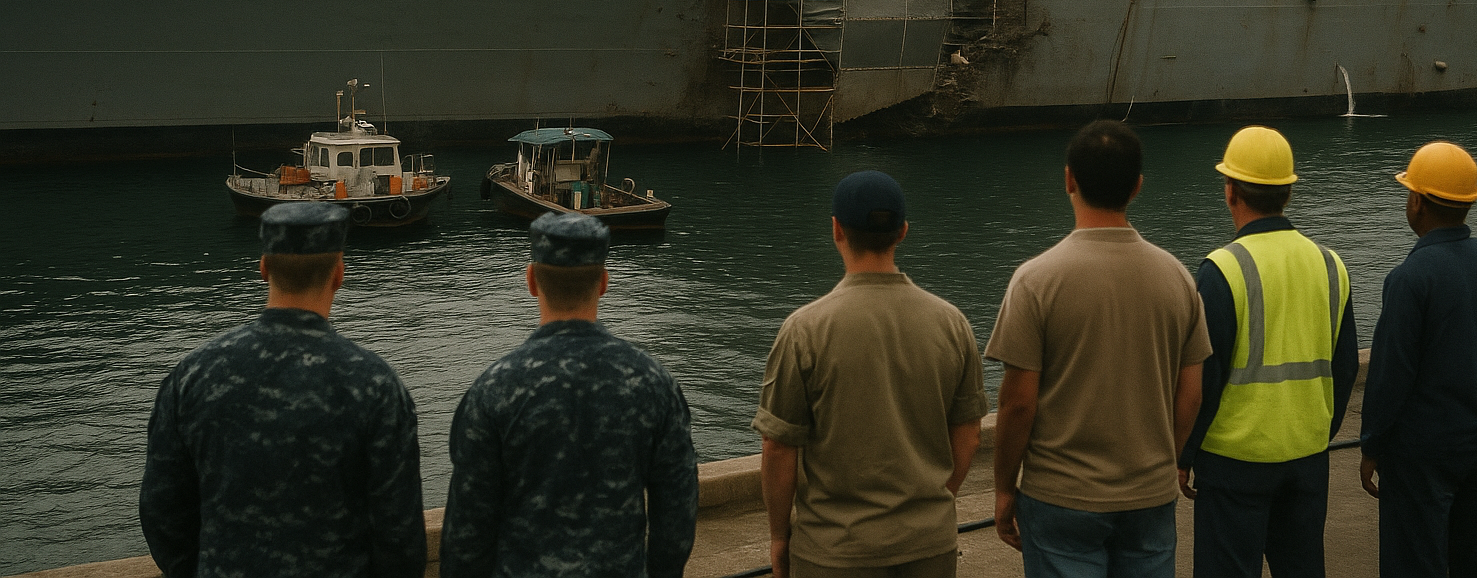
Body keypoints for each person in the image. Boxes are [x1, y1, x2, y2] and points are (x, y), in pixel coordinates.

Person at [139, 202, 427, 578]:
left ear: (263, 269)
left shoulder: (191, 376)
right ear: (339, 274)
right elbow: (399, 533)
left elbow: (162, 511)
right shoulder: (375, 385)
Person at [987, 120, 1210, 578]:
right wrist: (1160, 462)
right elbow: (1191, 395)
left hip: (1059, 497)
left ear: (1069, 179)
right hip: (1149, 494)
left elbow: (1017, 404)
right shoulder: (1178, 279)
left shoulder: (1035, 281)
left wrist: (1005, 489)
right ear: (1138, 186)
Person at [754, 170, 988, 578]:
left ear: (836, 230)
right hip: (929, 548)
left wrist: (779, 537)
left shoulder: (804, 329)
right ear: (903, 232)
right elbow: (968, 433)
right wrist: (934, 505)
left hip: (834, 552)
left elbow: (778, 446)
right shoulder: (952, 323)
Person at [439, 212, 697, 578]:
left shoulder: (493, 389)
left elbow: (467, 531)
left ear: (531, 280)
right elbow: (677, 513)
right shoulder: (654, 383)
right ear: (604, 283)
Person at [1178, 125, 1358, 578]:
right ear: (1289, 193)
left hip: (1233, 464)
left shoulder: (1221, 270)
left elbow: (1204, 381)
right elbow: (1347, 366)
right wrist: (1318, 431)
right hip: (1307, 458)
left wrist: (1184, 455)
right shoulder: (1331, 264)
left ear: (1230, 191)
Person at [1359, 142, 1477, 577]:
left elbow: (1390, 376)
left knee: (1415, 563)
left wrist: (1372, 446)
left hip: (1421, 456)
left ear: (1416, 201)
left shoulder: (1410, 278)